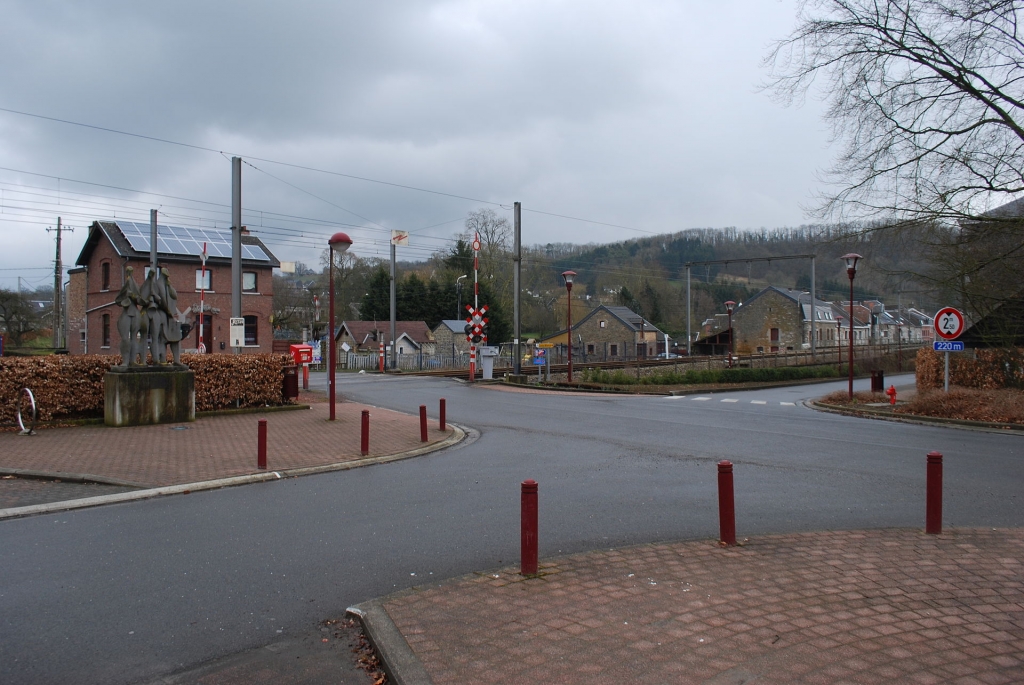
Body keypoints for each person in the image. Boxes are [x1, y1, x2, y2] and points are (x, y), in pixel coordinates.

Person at [115, 266, 147, 366]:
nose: (129, 272)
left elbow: (140, 300)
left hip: (135, 313)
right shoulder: (126, 284)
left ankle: (133, 360)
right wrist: (125, 298)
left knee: (134, 337)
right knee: (125, 337)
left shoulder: (135, 286)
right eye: (128, 271)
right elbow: (118, 300)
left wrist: (134, 296)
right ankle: (125, 361)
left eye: (130, 271)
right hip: (127, 312)